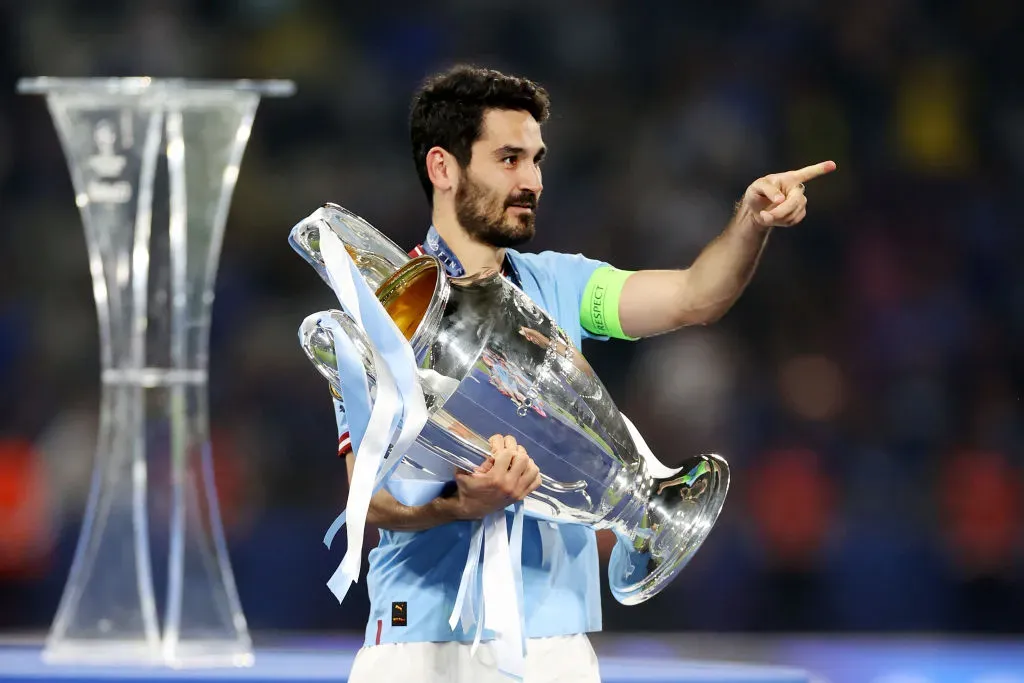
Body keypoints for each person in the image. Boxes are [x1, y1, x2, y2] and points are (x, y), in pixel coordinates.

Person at [333, 64, 836, 683]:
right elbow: (368, 495)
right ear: (444, 168)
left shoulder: (559, 284)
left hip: (553, 644)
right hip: (420, 640)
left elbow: (694, 296)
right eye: (509, 159)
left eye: (537, 160)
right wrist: (465, 502)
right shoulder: (388, 317)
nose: (533, 181)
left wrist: (751, 221)